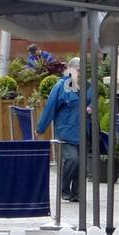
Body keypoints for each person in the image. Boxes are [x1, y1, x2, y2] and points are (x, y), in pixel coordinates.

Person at [35, 58, 92, 202]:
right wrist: (40, 129)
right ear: (71, 70)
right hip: (66, 131)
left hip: (83, 130)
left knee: (82, 164)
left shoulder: (87, 87)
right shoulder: (61, 86)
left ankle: (77, 194)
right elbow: (50, 108)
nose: (81, 73)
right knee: (73, 160)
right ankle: (64, 188)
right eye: (79, 70)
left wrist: (91, 109)